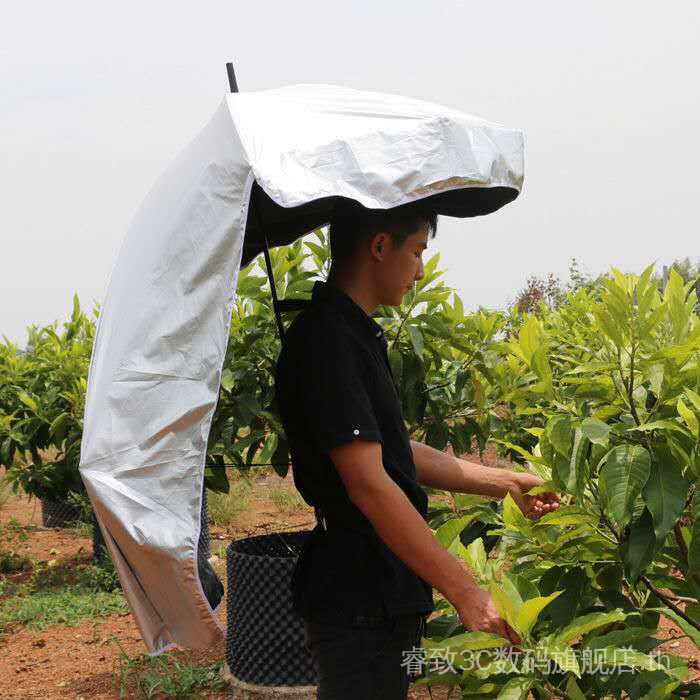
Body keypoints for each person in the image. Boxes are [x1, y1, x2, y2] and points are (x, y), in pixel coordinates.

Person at [273, 199, 561, 699]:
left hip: (377, 589)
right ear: (380, 247)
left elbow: (392, 451)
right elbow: (368, 483)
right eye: (418, 252)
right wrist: (466, 591)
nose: (422, 271)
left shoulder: (351, 332)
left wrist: (506, 483)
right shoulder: (328, 342)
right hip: (359, 597)